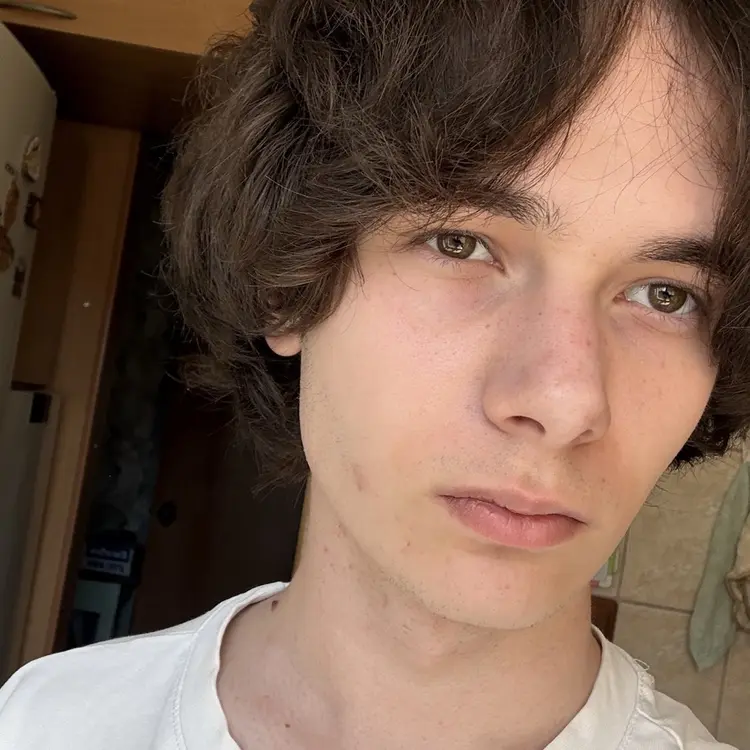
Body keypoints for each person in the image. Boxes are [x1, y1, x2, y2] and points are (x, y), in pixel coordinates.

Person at [2, 0, 750, 748]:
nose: (566, 401)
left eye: (666, 294)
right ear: (286, 280)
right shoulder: (45, 722)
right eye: (459, 244)